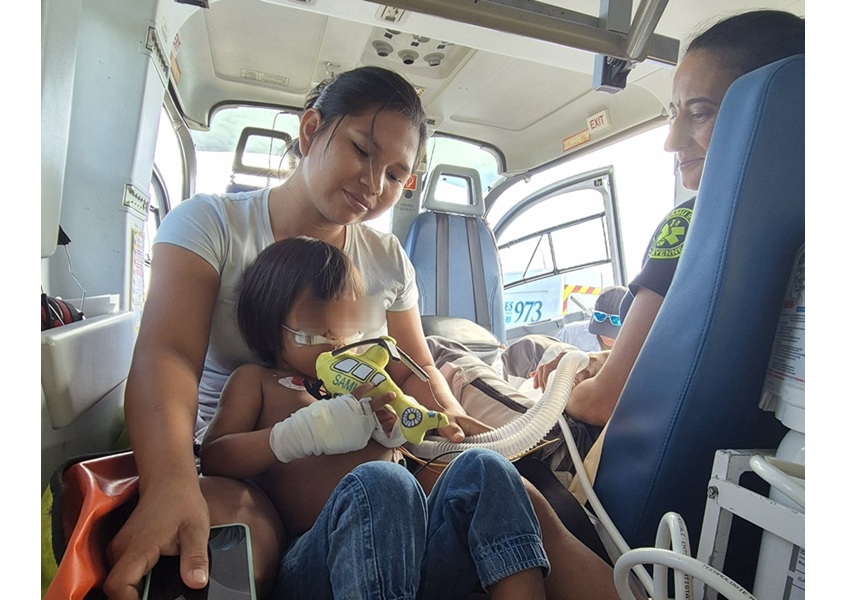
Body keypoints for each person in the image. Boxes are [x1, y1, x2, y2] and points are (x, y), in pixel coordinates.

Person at [105, 65, 617, 600]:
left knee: (508, 487)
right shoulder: (211, 225)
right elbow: (168, 356)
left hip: (381, 459)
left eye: (396, 176)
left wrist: (449, 426)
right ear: (310, 132)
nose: (374, 184)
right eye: (361, 150)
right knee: (241, 532)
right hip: (257, 479)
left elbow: (413, 365)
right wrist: (169, 483)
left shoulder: (385, 259)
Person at [200, 235, 551, 599]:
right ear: (273, 323)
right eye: (320, 319)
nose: (338, 336)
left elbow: (409, 448)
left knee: (486, 468)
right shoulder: (257, 382)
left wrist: (403, 425)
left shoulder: (369, 383)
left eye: (348, 317)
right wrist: (297, 433)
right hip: (319, 559)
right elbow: (215, 457)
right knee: (381, 482)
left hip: (411, 556)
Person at [513, 10, 805, 429]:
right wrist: (596, 359)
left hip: (594, 457)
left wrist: (562, 386)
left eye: (700, 112)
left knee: (456, 368)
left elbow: (602, 405)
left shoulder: (691, 225)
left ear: (770, 110)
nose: (672, 140)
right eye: (674, 113)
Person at [557, 286, 629, 353]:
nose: (605, 335)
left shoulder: (638, 347)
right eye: (599, 317)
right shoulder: (570, 334)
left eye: (616, 321)